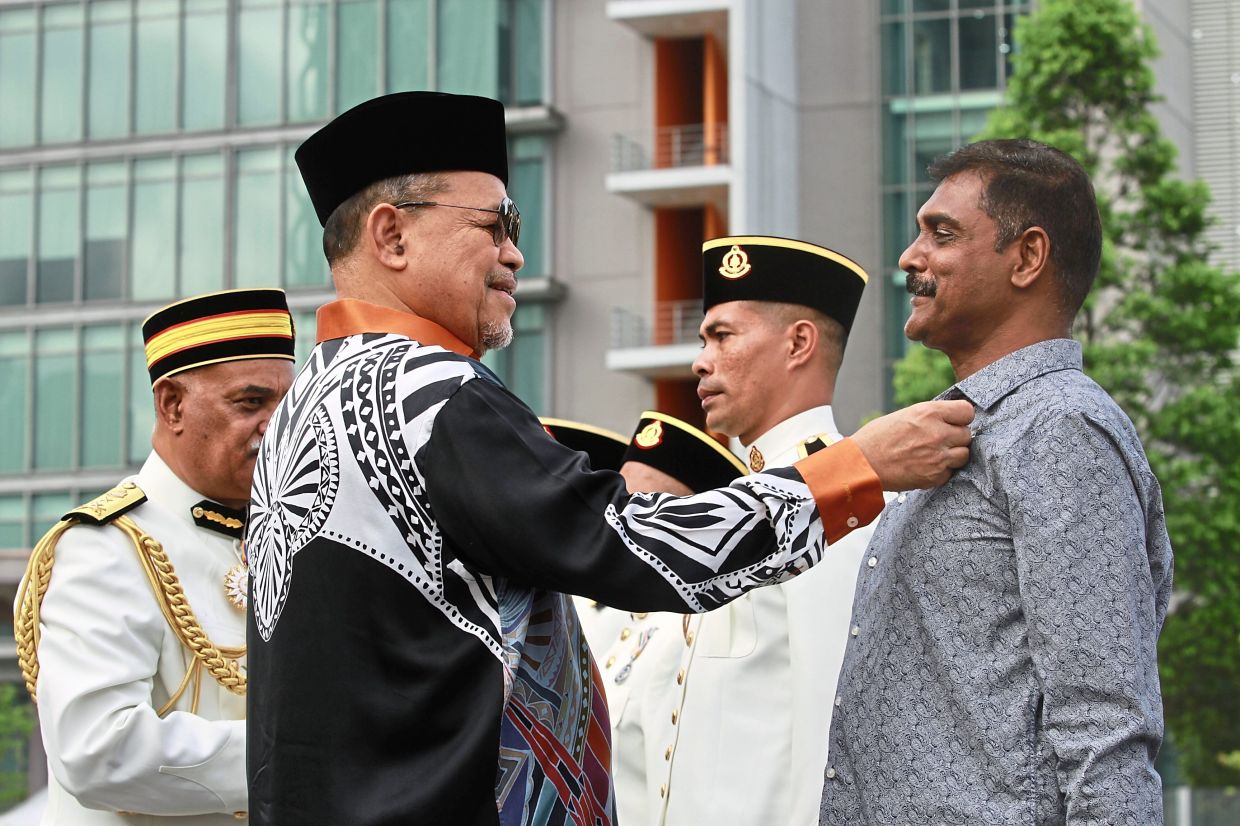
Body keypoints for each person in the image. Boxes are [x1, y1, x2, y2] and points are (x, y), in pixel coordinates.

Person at [244, 90, 974, 826]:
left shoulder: (301, 407)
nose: (514, 253)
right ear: (392, 235)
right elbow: (630, 544)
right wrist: (857, 469)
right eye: (495, 224)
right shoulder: (428, 396)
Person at [819, 139, 1174, 825]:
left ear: (1028, 257)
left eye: (941, 233)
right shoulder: (959, 429)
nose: (909, 257)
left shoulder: (1062, 428)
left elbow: (1106, 729)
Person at [591, 236, 879, 825]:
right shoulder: (742, 502)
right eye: (703, 340)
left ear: (799, 342)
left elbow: (831, 735)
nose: (701, 360)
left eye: (723, 336)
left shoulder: (845, 501)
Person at [15, 288, 296, 825]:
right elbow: (99, 750)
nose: (277, 426)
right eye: (251, 403)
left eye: (287, 405)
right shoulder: (105, 546)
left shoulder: (288, 534)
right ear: (172, 405)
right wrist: (302, 758)